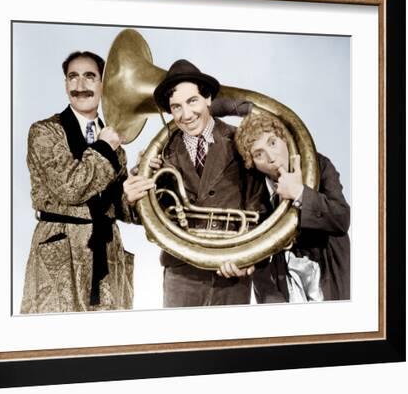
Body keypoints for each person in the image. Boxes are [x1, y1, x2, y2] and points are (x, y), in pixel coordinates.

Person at [123, 59, 265, 308]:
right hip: (181, 274)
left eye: (192, 101)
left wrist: (251, 256)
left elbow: (259, 206)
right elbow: (149, 218)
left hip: (231, 269)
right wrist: (136, 197)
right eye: (176, 107)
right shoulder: (161, 153)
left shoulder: (239, 139)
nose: (186, 115)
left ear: (208, 98)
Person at [20, 51, 134, 314]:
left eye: (89, 77)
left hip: (106, 253)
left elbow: (120, 209)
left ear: (105, 85)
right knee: (54, 341)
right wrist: (106, 147)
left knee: (109, 345)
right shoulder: (44, 132)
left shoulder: (113, 139)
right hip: (60, 253)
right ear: (65, 84)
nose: (80, 86)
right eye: (73, 77)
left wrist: (137, 190)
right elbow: (71, 187)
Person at [224, 111, 350, 302]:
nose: (271, 158)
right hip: (277, 286)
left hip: (326, 278)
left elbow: (341, 218)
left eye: (272, 143)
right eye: (259, 154)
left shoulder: (319, 165)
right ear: (252, 163)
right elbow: (250, 240)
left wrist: (299, 193)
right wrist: (241, 261)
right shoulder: (251, 187)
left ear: (285, 139)